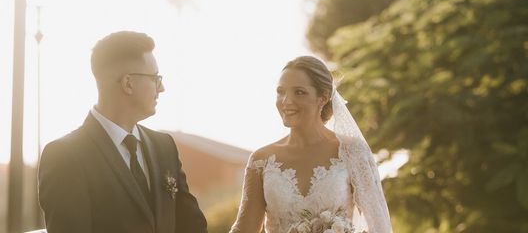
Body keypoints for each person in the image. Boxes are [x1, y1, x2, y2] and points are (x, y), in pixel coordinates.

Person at [38, 31, 207, 233]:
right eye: (155, 78)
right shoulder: (65, 156)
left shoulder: (164, 146)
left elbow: (193, 227)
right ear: (128, 83)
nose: (162, 88)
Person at [229, 56, 391, 233]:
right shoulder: (261, 160)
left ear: (323, 97)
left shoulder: (352, 151)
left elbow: (378, 225)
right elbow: (244, 229)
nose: (286, 101)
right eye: (281, 91)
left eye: (299, 92)